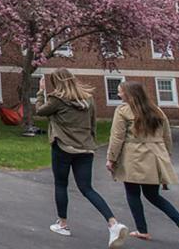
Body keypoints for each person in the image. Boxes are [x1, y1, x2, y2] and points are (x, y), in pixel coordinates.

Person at [36, 68, 128, 248]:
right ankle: (113, 223)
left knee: (61, 184)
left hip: (63, 147)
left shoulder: (57, 99)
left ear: (57, 83)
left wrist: (41, 92)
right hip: (85, 148)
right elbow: (92, 122)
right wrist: (90, 142)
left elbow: (40, 111)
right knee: (87, 188)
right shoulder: (88, 98)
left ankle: (62, 224)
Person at [106, 81, 179, 244]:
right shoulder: (157, 110)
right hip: (155, 157)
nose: (118, 95)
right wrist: (166, 156)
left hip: (134, 157)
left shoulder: (123, 110)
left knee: (132, 193)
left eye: (120, 92)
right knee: (153, 195)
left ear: (129, 94)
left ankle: (142, 230)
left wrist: (111, 158)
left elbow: (117, 137)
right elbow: (167, 136)